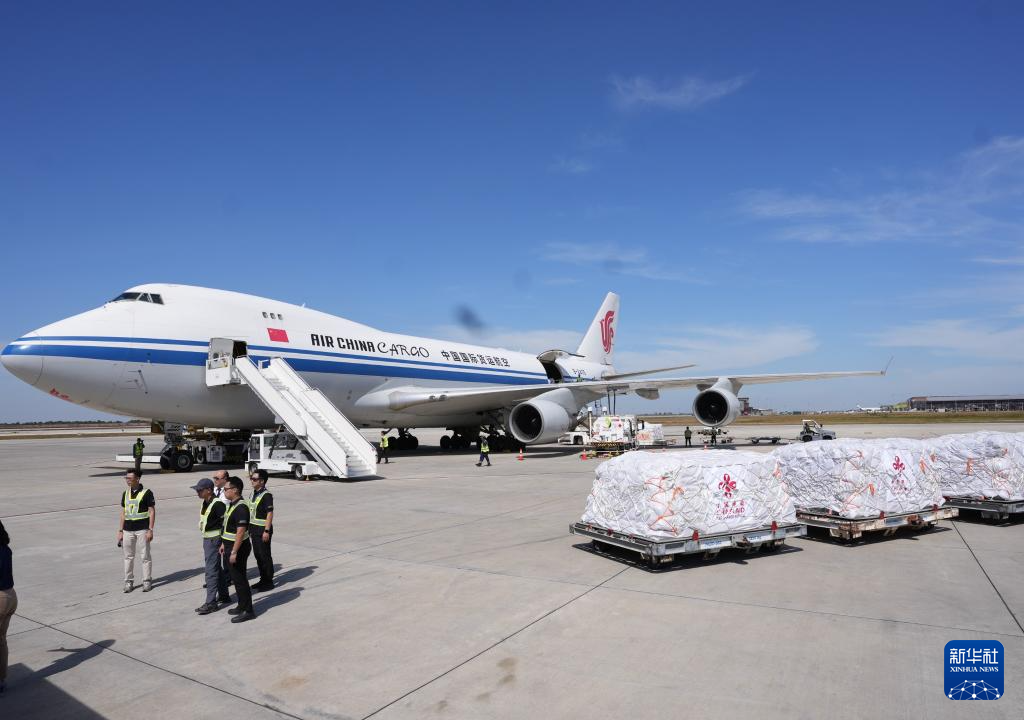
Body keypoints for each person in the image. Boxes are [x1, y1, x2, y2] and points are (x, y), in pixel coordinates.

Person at [220, 477, 255, 622]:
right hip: (230, 545)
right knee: (236, 578)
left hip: (238, 548)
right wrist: (224, 544)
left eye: (226, 489)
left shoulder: (241, 507)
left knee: (240, 579)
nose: (224, 491)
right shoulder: (232, 504)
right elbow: (230, 527)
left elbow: (240, 532)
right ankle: (241, 605)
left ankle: (248, 611)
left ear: (235, 490)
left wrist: (234, 552)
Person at [192, 478, 229, 615]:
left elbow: (226, 523)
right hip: (208, 539)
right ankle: (224, 595)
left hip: (214, 540)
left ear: (208, 490)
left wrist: (223, 542)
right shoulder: (206, 502)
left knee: (211, 571)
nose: (197, 492)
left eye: (199, 490)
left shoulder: (218, 504)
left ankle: (211, 603)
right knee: (216, 568)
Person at [118, 470, 155, 593]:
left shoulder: (147, 493)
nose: (127, 480)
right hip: (127, 530)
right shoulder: (125, 493)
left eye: (130, 478)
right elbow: (123, 513)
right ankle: (128, 581)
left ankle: (147, 580)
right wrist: (120, 530)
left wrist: (150, 529)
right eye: (126, 478)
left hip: (142, 529)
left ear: (137, 479)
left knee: (145, 556)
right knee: (128, 557)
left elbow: (151, 511)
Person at [248, 470, 275, 591]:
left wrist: (267, 531)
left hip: (263, 531)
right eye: (251, 478)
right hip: (254, 530)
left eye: (254, 479)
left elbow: (270, 513)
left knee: (265, 556)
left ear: (262, 481)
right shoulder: (253, 493)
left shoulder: (266, 495)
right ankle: (263, 579)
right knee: (258, 555)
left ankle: (268, 582)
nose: (251, 481)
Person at [0, 521, 15, 695]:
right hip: (11, 596)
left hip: (1, 598)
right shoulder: (6, 548)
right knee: (1, 640)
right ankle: (1, 680)